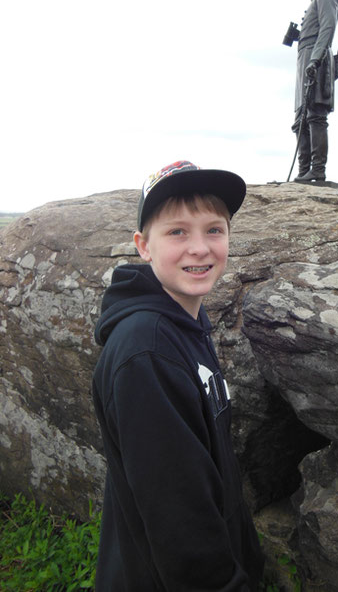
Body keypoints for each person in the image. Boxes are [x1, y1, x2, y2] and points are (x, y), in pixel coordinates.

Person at [92, 160, 264, 591]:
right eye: (177, 232)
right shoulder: (147, 352)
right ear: (143, 246)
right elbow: (178, 522)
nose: (200, 247)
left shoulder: (183, 320)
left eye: (214, 229)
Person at [291, 0, 338, 183]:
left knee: (315, 114)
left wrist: (315, 58)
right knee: (301, 117)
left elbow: (328, 27)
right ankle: (303, 171)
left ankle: (317, 169)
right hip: (306, 55)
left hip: (315, 56)